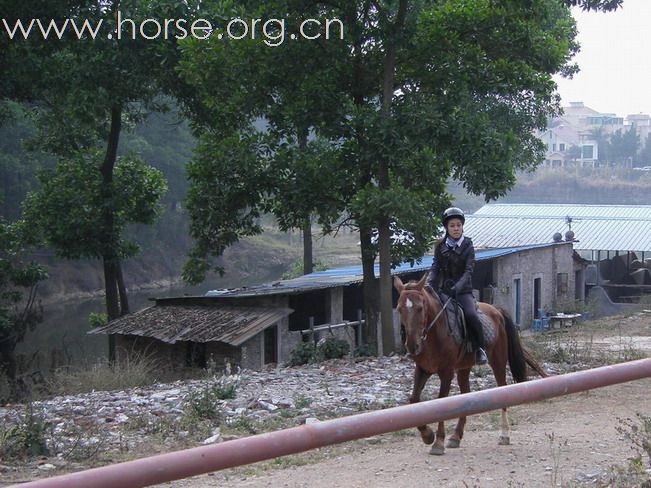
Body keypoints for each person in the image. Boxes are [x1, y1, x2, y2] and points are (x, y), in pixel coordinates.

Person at [425, 207, 488, 365]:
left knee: (471, 315)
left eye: (458, 225)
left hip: (463, 291)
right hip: (443, 291)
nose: (455, 228)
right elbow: (435, 267)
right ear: (447, 227)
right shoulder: (440, 246)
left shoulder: (468, 245)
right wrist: (428, 285)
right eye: (452, 225)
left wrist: (458, 288)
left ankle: (480, 349)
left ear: (462, 226)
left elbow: (468, 271)